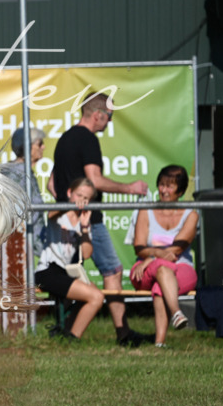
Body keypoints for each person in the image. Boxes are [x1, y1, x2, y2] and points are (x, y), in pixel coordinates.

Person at [50, 93, 152, 346]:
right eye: (109, 117)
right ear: (97, 115)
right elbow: (94, 180)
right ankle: (123, 333)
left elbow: (52, 184)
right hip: (89, 220)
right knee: (112, 270)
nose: (109, 123)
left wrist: (68, 204)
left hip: (65, 219)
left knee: (71, 275)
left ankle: (65, 329)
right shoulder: (88, 139)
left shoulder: (64, 139)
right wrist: (130, 188)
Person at [128, 165, 199, 346]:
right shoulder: (146, 210)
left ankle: (159, 343)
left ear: (181, 191)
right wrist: (154, 256)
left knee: (160, 285)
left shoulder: (191, 215)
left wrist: (152, 256)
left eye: (170, 186)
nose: (163, 191)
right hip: (144, 269)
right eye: (161, 185)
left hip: (181, 268)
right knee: (162, 268)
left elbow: (177, 249)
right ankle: (176, 312)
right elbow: (139, 247)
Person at [35, 178, 103, 340]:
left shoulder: (84, 221)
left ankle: (65, 333)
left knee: (95, 293)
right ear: (69, 193)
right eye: (79, 195)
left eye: (86, 198)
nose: (82, 201)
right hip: (47, 271)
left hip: (66, 273)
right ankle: (72, 337)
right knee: (96, 297)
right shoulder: (59, 213)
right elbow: (51, 214)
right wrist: (68, 206)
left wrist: (85, 228)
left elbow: (86, 254)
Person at [4, 126, 46, 248]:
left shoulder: (18, 171)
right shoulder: (18, 174)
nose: (43, 147)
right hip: (23, 247)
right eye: (40, 144)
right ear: (28, 146)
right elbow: (21, 215)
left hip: (28, 244)